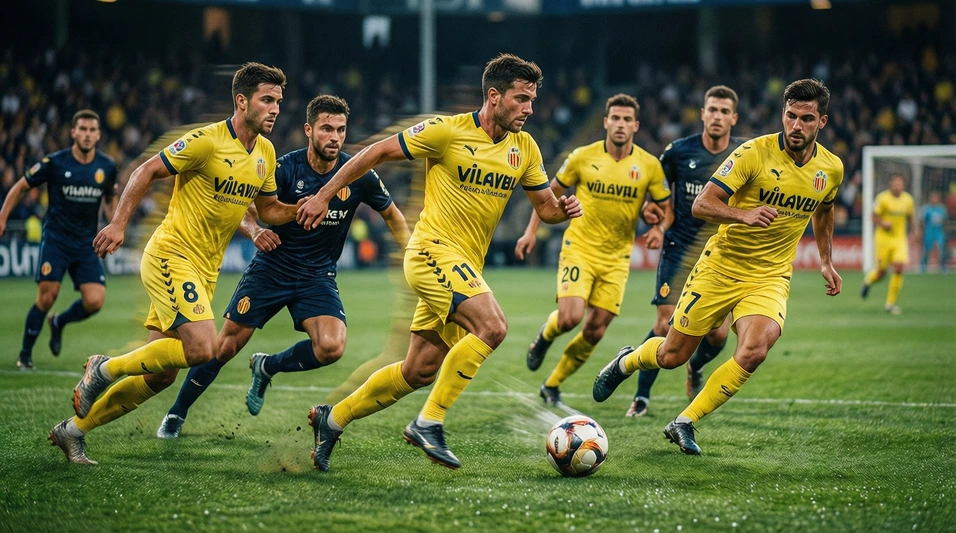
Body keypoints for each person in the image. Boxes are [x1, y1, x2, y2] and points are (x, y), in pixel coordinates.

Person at [296, 53, 582, 471]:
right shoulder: (447, 131)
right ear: (494, 96)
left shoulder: (526, 148)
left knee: (418, 371)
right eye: (521, 99)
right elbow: (374, 153)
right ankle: (429, 422)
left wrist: (564, 209)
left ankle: (332, 419)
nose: (529, 109)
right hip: (431, 252)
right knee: (493, 326)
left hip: (464, 268)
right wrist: (323, 195)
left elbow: (547, 207)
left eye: (532, 100)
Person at [49, 62, 299, 465]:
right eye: (267, 100)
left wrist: (302, 209)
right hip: (171, 256)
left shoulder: (266, 153)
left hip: (204, 271)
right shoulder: (206, 141)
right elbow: (145, 171)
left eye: (278, 102)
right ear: (241, 101)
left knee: (160, 374)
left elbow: (268, 210)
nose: (275, 109)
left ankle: (72, 431)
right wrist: (117, 223)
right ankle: (104, 367)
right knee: (203, 349)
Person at [592, 78, 843, 455]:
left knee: (756, 348)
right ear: (782, 114)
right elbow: (701, 204)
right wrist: (743, 214)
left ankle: (684, 421)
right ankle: (627, 361)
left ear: (821, 122)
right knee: (673, 355)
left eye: (806, 119)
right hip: (721, 266)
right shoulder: (752, 153)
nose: (796, 126)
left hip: (770, 275)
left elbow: (825, 208)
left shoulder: (831, 168)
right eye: (790, 116)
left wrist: (826, 260)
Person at [155, 94, 409, 438]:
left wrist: (410, 254)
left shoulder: (358, 174)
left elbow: (392, 215)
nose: (334, 137)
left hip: (317, 275)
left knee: (332, 347)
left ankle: (267, 366)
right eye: (326, 129)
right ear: (309, 130)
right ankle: (177, 412)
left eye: (340, 130)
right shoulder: (284, 169)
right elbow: (242, 208)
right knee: (225, 347)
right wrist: (256, 229)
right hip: (272, 269)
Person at [514, 94, 671, 407]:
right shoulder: (582, 157)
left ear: (636, 125)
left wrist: (657, 229)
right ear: (606, 122)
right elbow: (546, 196)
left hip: (617, 257)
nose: (621, 124)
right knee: (571, 317)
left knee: (596, 330)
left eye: (627, 119)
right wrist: (531, 231)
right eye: (615, 118)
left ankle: (552, 384)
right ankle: (546, 335)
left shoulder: (649, 165)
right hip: (580, 249)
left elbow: (665, 209)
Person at [628, 86, 745, 418]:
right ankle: (641, 396)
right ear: (703, 113)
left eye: (725, 111)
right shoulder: (679, 152)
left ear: (733, 118)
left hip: (721, 255)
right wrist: (655, 224)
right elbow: (657, 198)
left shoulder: (744, 154)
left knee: (719, 334)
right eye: (713, 110)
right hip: (680, 248)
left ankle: (695, 367)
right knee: (666, 323)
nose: (718, 116)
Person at [0, 110, 117, 370]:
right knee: (47, 297)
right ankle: (25, 354)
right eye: (82, 129)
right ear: (73, 132)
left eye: (92, 130)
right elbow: (20, 186)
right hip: (57, 240)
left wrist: (115, 223)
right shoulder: (55, 163)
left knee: (95, 301)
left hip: (87, 243)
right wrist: (2, 218)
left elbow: (109, 197)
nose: (87, 134)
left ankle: (59, 322)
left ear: (98, 134)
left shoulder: (107, 166)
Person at [860, 174, 914, 313]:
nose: (896, 185)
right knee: (881, 273)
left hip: (899, 239)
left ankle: (890, 304)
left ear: (903, 185)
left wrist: (915, 232)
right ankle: (868, 281)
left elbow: (910, 217)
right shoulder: (882, 198)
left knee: (899, 267)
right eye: (894, 183)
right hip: (883, 239)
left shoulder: (908, 200)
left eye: (899, 183)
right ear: (890, 184)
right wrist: (883, 223)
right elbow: (873, 216)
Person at [919, 191, 947, 273]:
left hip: (939, 232)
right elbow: (922, 221)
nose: (935, 199)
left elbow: (945, 221)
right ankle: (923, 267)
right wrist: (921, 231)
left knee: (941, 248)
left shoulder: (942, 209)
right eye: (933, 198)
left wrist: (944, 231)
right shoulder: (926, 209)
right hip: (929, 231)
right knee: (927, 250)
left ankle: (943, 267)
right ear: (930, 199)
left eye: (936, 198)